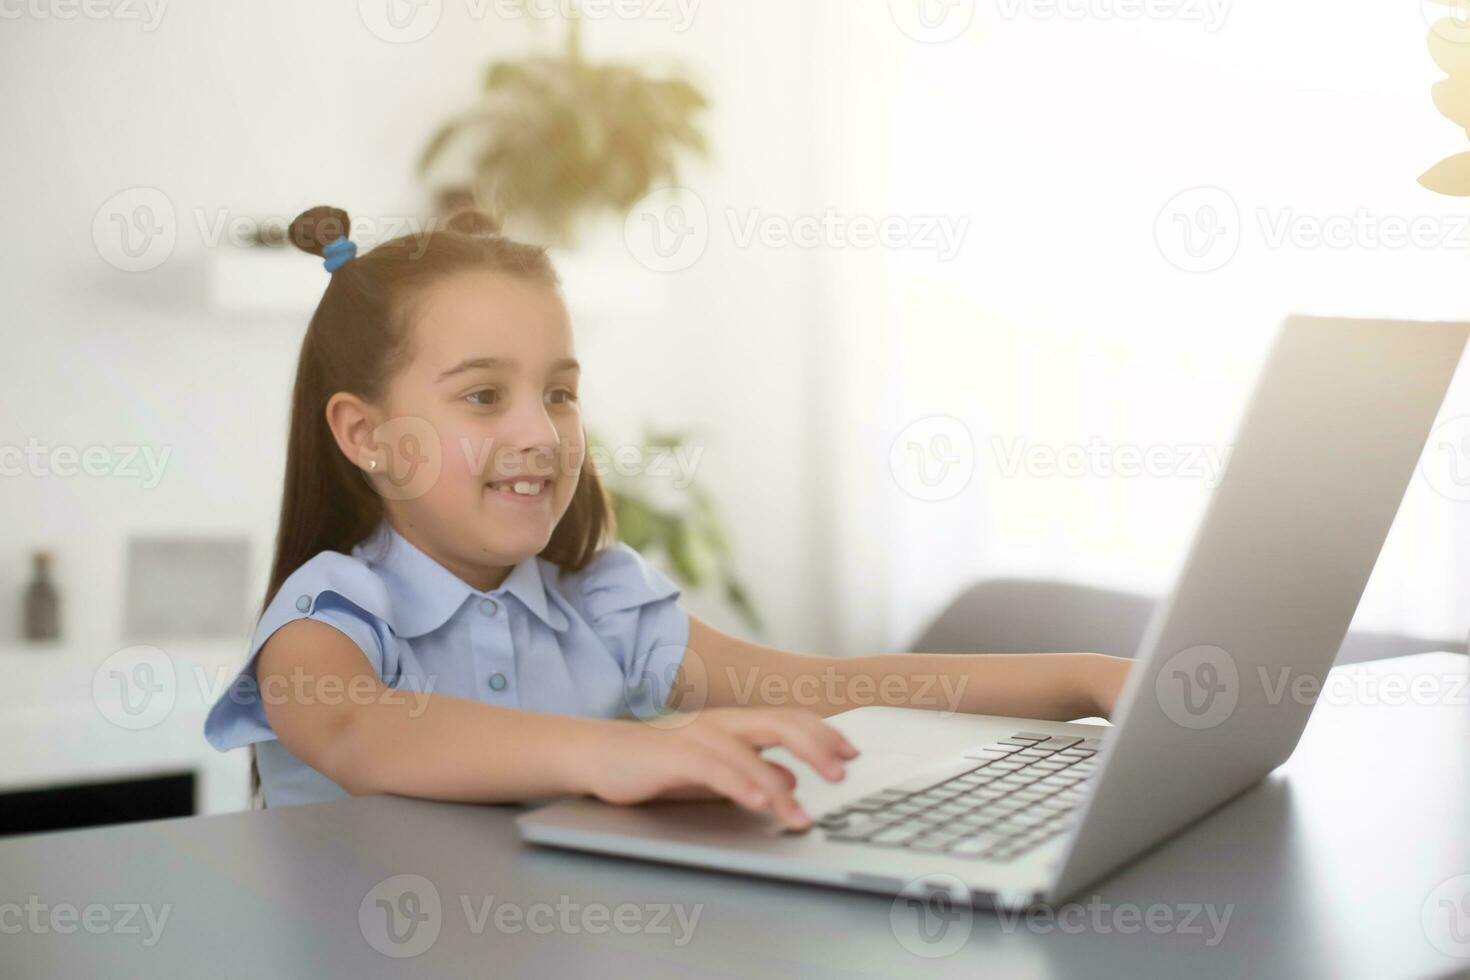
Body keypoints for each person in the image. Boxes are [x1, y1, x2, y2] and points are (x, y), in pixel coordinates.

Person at [204, 205, 1132, 828]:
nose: (541, 431)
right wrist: (615, 751)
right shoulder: (332, 617)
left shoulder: (601, 607)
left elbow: (834, 685)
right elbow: (367, 735)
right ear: (366, 435)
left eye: (560, 393)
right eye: (484, 396)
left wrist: (1085, 679)